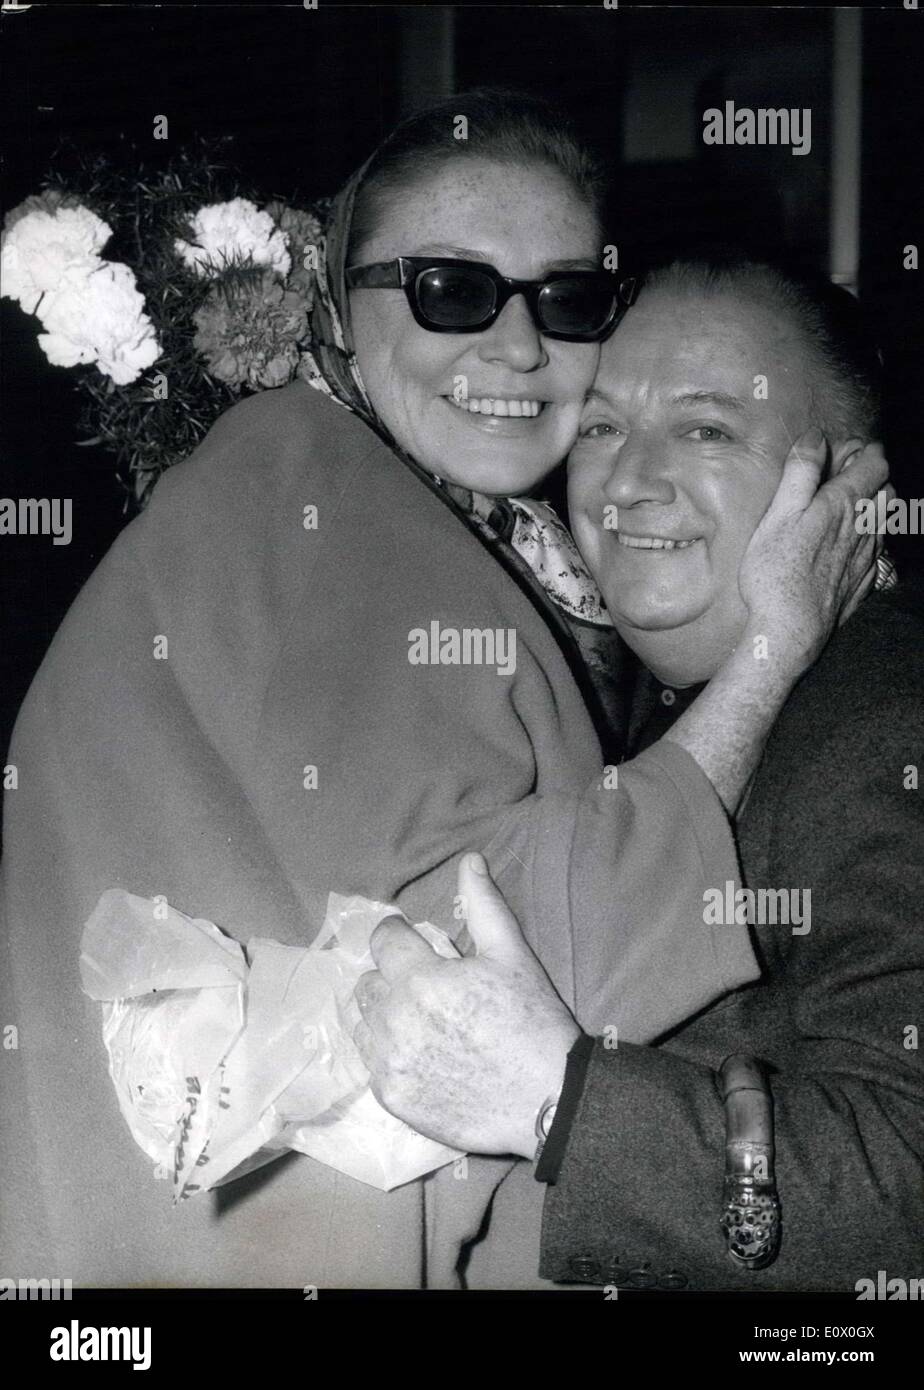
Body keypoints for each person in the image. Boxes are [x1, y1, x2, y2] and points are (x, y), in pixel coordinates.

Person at [0, 90, 886, 1291]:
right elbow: (495, 974)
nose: (517, 349)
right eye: (450, 291)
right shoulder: (316, 486)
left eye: (568, 302)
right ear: (331, 307)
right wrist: (776, 649)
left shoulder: (352, 500)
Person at [353, 255, 923, 1291]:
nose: (628, 481)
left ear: (849, 487)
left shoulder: (883, 721)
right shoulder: (678, 707)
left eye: (706, 429)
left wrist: (557, 1100)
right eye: (604, 427)